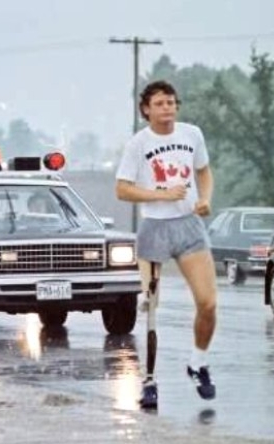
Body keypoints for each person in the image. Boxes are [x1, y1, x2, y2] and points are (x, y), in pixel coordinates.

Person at [115, 80, 217, 408]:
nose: (167, 109)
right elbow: (122, 189)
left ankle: (198, 363)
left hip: (189, 226)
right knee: (150, 307)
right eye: (159, 104)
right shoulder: (138, 144)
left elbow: (204, 172)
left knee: (208, 303)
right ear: (146, 109)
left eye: (171, 103)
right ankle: (149, 381)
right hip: (155, 227)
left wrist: (204, 199)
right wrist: (159, 195)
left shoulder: (192, 134)